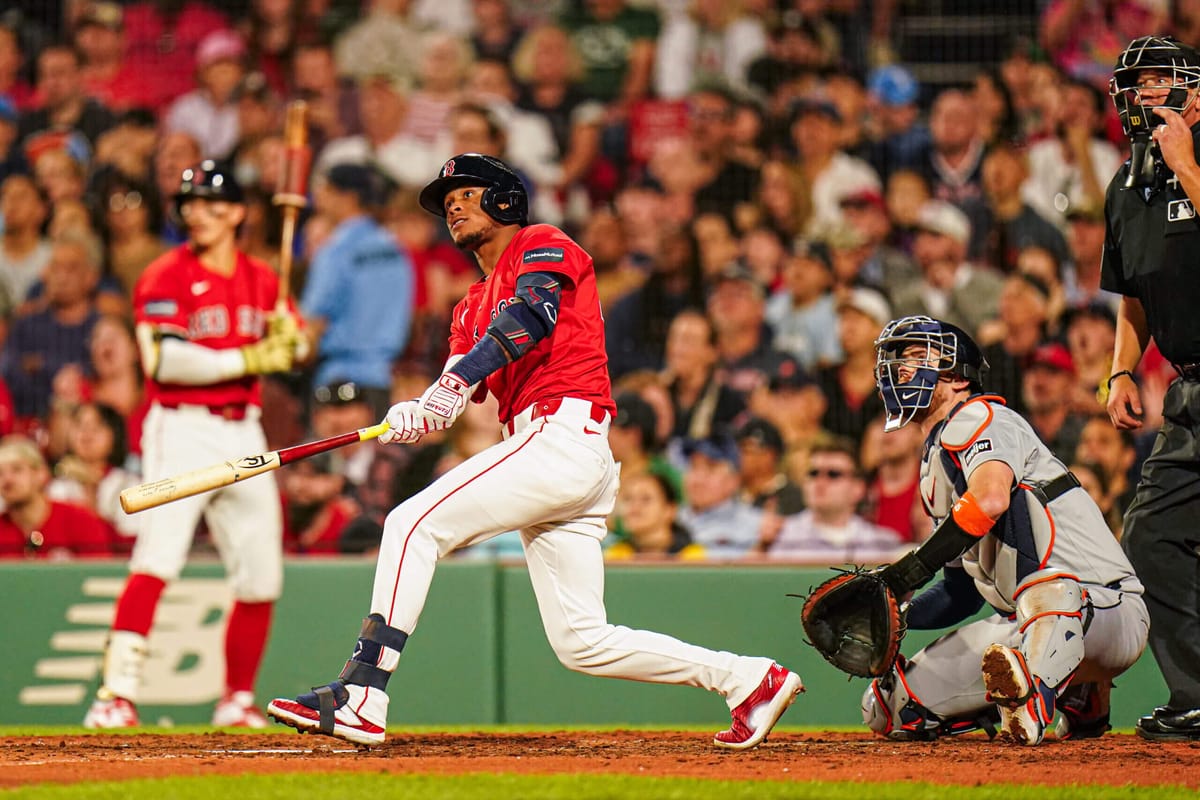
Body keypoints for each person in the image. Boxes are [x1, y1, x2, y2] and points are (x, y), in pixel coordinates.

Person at [265, 153, 802, 748]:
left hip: (563, 437)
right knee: (582, 641)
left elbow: (532, 316)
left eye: (467, 193)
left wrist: (452, 385)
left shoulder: (542, 242)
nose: (454, 205)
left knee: (410, 523)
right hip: (542, 449)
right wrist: (415, 412)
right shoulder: (469, 305)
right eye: (448, 201)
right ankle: (748, 678)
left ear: (504, 200)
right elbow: (460, 381)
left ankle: (363, 690)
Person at [83, 161, 305, 729]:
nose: (196, 213)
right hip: (182, 427)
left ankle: (236, 699)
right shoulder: (164, 274)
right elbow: (165, 358)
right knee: (157, 558)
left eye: (210, 203)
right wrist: (252, 357)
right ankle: (115, 695)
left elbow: (294, 345)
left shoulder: (264, 278)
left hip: (242, 428)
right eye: (189, 203)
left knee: (261, 574)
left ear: (237, 213)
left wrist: (293, 341)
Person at [860, 315, 1147, 746]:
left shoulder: (983, 415)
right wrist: (901, 615)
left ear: (957, 377)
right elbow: (961, 592)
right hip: (1030, 620)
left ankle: (1048, 695)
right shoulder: (934, 465)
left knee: (1051, 591)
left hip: (1106, 609)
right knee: (888, 708)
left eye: (919, 357)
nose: (901, 369)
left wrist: (905, 574)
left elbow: (990, 500)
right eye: (899, 360)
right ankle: (1078, 696)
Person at [1103, 34, 1200, 741]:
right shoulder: (1125, 184)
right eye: (1135, 82)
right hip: (1190, 391)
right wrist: (1120, 368)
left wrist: (1186, 164)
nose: (1145, 93)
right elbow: (1132, 293)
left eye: (1160, 79)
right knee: (1151, 533)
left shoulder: (1191, 158)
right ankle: (1195, 693)